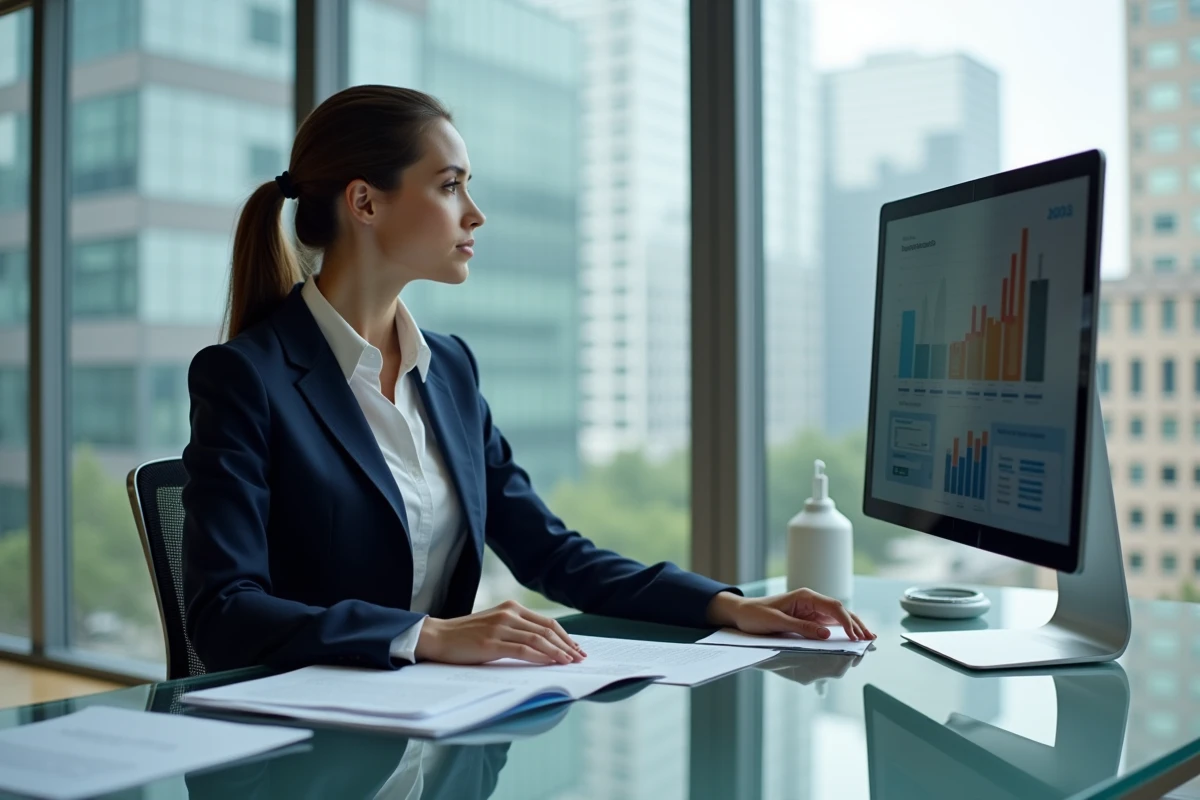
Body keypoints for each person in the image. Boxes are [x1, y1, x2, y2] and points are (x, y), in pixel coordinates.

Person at [181, 85, 874, 673]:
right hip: (311, 746)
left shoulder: (448, 368)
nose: (474, 214)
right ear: (365, 203)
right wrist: (429, 635)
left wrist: (728, 605)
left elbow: (551, 554)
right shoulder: (246, 378)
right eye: (450, 186)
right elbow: (224, 612)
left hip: (433, 732)